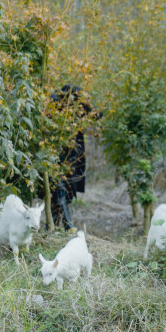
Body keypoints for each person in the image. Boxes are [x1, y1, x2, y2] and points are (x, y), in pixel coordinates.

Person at [51, 84, 93, 230]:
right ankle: (66, 227)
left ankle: (56, 226)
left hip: (73, 158)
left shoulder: (78, 109)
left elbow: (95, 115)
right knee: (58, 190)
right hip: (58, 156)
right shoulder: (54, 106)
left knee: (65, 192)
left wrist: (83, 101)